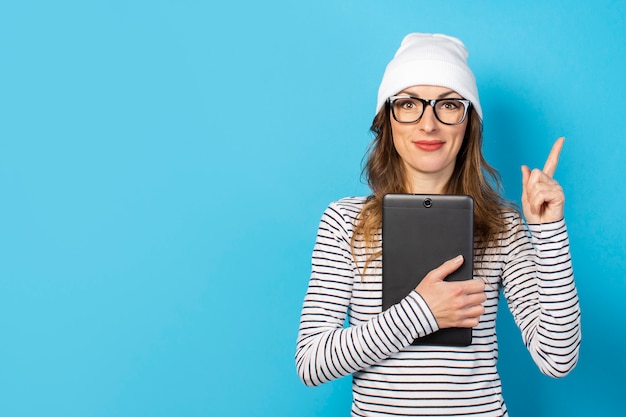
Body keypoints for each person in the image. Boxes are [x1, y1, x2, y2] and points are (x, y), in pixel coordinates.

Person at [295, 33, 581, 416]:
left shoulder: (503, 225)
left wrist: (548, 232)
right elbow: (311, 362)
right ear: (387, 119)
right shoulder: (344, 221)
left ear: (468, 123)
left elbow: (557, 359)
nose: (428, 124)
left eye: (448, 105)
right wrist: (421, 312)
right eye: (409, 104)